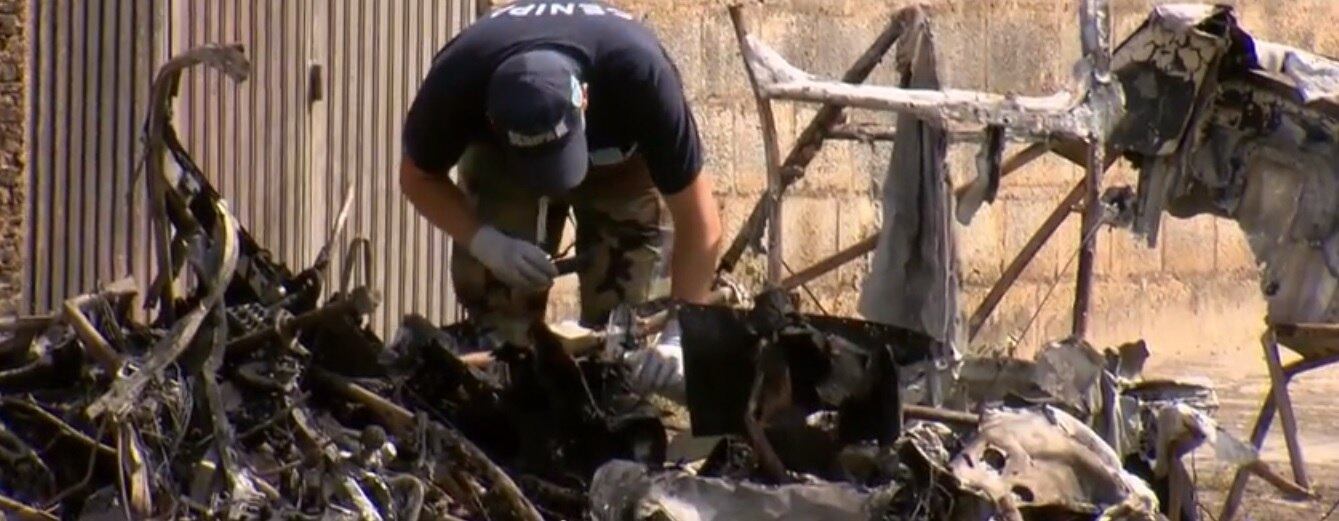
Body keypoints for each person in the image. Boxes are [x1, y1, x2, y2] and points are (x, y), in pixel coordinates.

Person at [398, 0, 722, 399]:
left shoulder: (642, 76)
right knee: (500, 313)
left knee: (625, 324)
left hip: (622, 162)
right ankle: (503, 407)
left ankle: (615, 413)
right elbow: (417, 177)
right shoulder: (457, 79)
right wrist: (487, 243)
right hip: (504, 163)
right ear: (490, 118)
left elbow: (701, 222)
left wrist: (679, 335)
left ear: (583, 97)